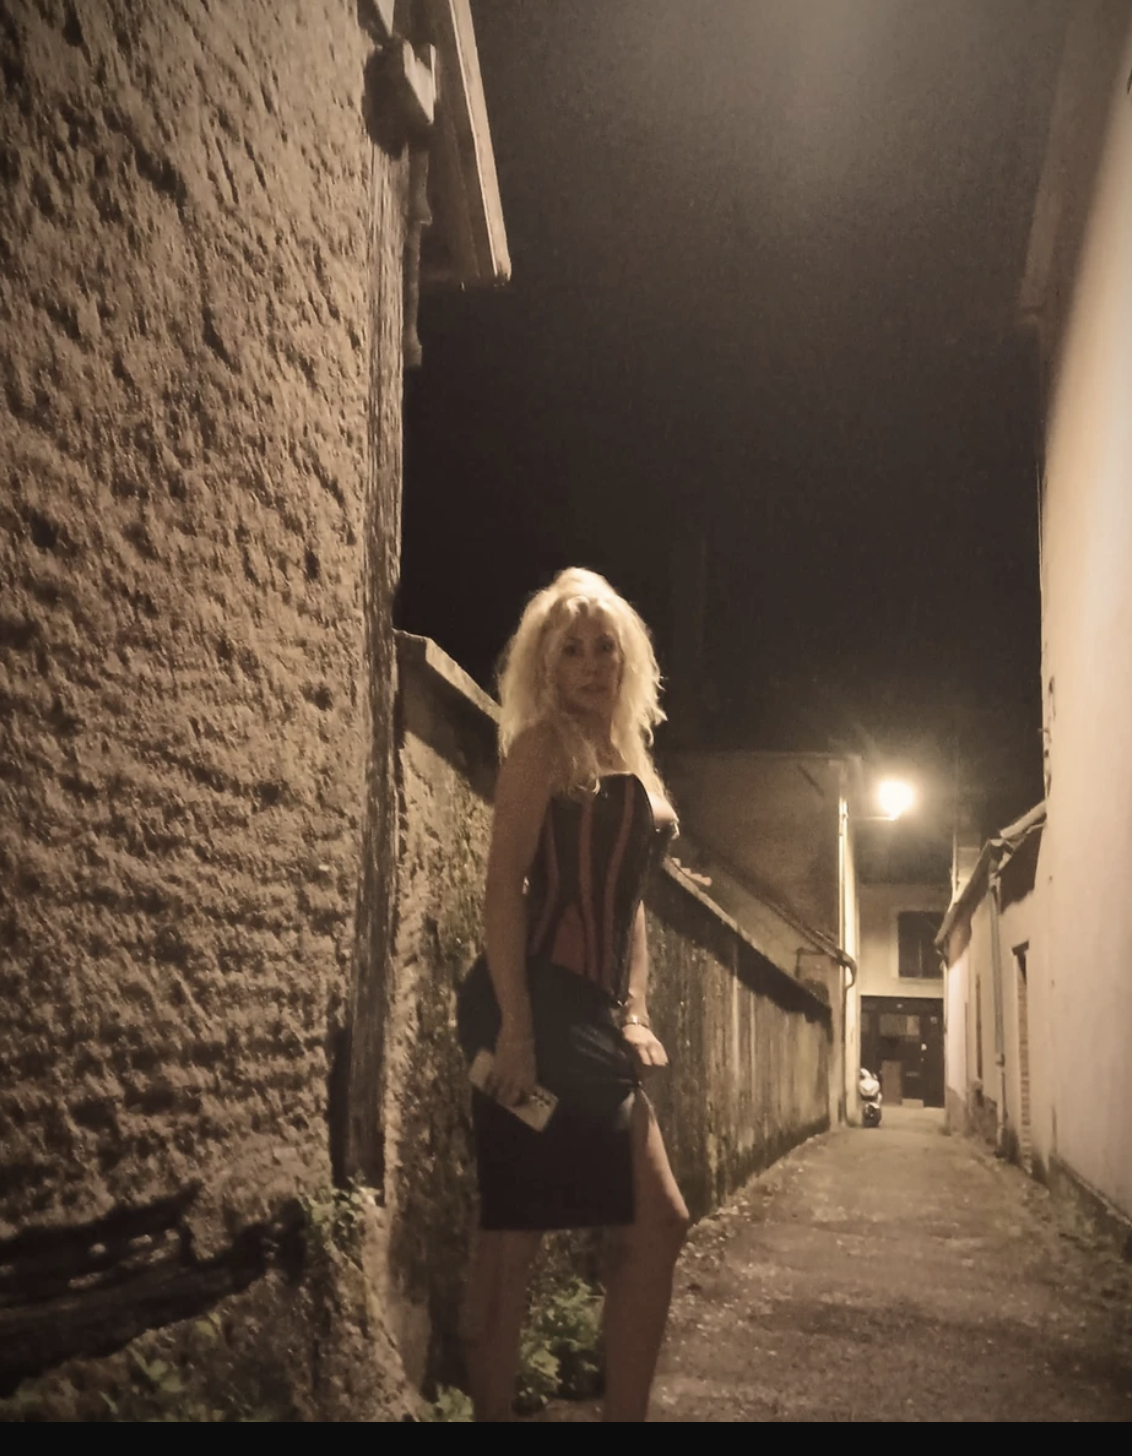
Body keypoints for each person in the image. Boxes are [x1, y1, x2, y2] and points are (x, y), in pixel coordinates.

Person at [456, 566, 690, 1423]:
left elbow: (629, 907)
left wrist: (634, 1011)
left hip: (590, 1020)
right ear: (546, 665)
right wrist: (516, 1034)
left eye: (605, 648)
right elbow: (502, 891)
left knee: (656, 1224)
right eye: (573, 650)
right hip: (526, 1010)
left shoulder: (630, 760)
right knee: (513, 1237)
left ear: (627, 659)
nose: (591, 665)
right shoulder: (540, 750)